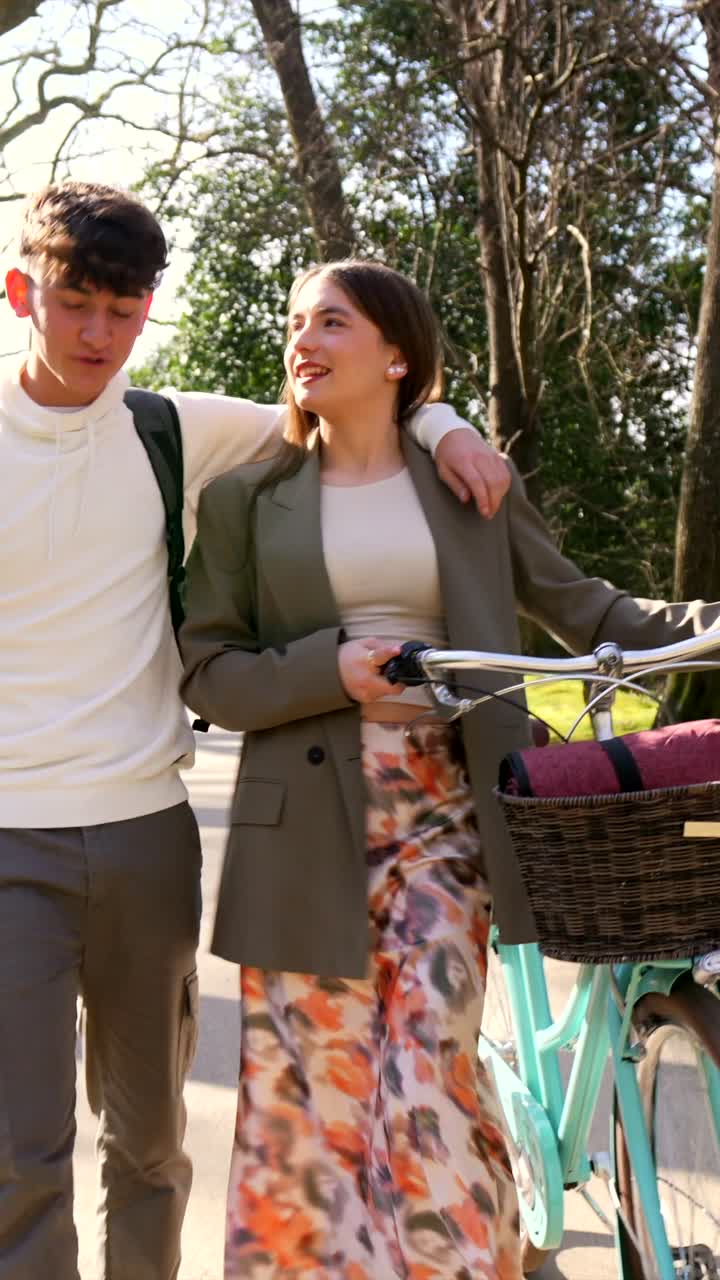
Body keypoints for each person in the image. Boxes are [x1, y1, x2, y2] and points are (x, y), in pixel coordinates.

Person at [0, 182, 510, 1280]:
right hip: (7, 838)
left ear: (148, 312)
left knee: (146, 1146)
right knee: (18, 1153)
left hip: (145, 832)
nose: (96, 333)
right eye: (73, 302)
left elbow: (352, 401)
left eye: (122, 309)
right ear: (19, 293)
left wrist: (444, 421)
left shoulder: (171, 429)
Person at [179, 259, 720, 1279]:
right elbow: (209, 670)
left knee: (427, 1073)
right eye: (295, 322)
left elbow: (584, 606)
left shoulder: (466, 479)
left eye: (330, 321)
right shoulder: (249, 499)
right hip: (306, 825)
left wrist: (702, 632)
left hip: (449, 812)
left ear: (396, 353)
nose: (303, 339)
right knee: (322, 1109)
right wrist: (325, 669)